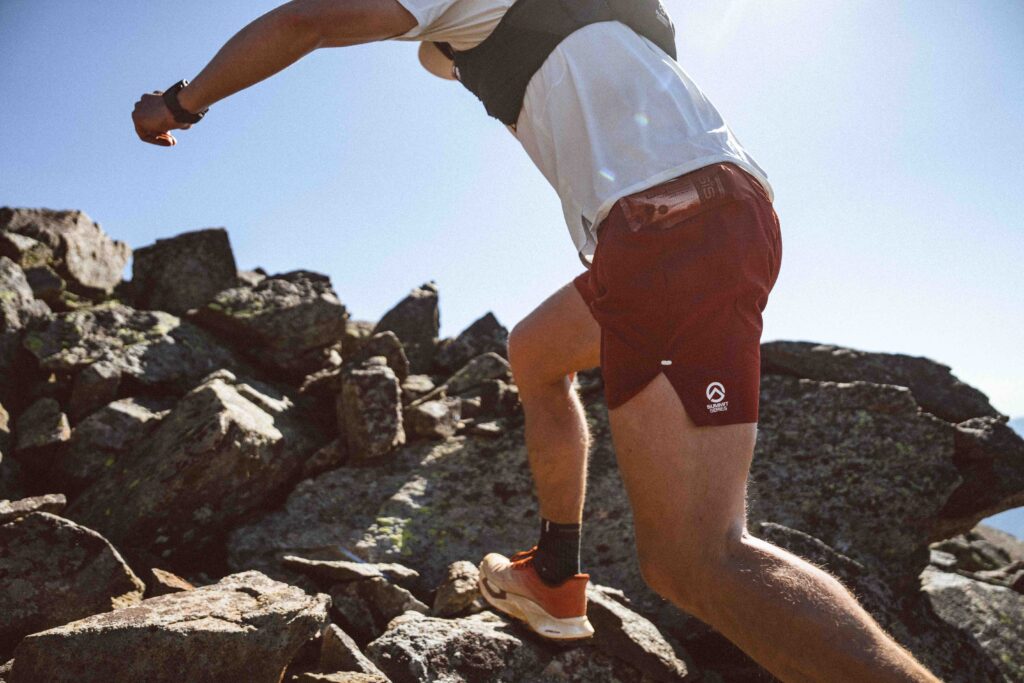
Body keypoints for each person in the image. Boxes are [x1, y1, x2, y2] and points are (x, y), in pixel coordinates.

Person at [131, 1, 943, 680]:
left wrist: (180, 102)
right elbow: (446, 58)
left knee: (696, 559)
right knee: (536, 350)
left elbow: (308, 21)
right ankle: (555, 574)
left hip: (667, 226)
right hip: (692, 218)